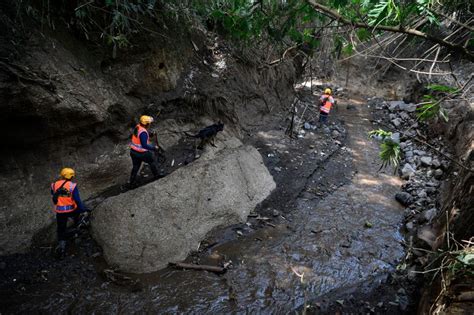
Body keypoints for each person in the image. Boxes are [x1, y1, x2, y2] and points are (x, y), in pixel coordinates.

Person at [51, 167, 87, 258]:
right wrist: (83, 209)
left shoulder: (54, 185)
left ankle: (62, 247)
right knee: (78, 214)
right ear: (72, 176)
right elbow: (77, 200)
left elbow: (53, 194)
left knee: (61, 228)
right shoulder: (72, 186)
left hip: (60, 211)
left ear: (62, 175)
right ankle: (77, 228)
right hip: (71, 209)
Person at [129, 115, 160, 187]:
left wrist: (150, 134)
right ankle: (157, 175)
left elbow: (140, 136)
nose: (150, 124)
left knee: (135, 167)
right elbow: (144, 145)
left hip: (133, 151)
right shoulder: (143, 132)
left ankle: (131, 182)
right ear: (147, 124)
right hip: (142, 153)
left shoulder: (138, 127)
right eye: (149, 123)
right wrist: (154, 148)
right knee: (152, 162)